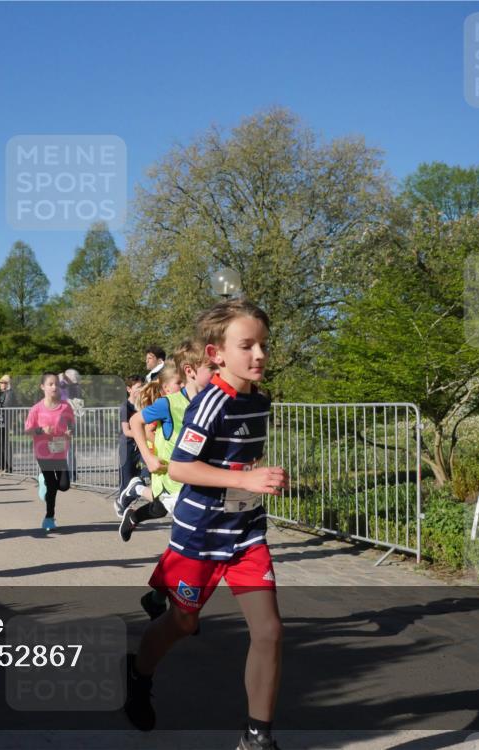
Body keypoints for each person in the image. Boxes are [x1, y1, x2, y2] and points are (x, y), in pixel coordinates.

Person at [125, 300, 288, 750]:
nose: (259, 355)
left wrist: (262, 478)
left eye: (263, 345)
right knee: (181, 622)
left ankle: (258, 737)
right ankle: (138, 675)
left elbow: (242, 460)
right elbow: (180, 468)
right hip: (199, 536)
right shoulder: (210, 403)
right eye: (247, 345)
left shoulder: (260, 400)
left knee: (270, 631)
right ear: (216, 353)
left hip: (246, 535)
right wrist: (244, 478)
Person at [118, 342, 214, 542]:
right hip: (170, 472)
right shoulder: (168, 403)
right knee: (193, 528)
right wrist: (149, 456)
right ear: (191, 372)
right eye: (212, 368)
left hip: (196, 472)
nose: (217, 373)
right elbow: (137, 422)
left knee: (159, 508)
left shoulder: (210, 402)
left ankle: (134, 513)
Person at [24, 372, 75, 532]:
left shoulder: (65, 406)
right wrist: (41, 430)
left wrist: (69, 432)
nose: (54, 387)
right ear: (43, 387)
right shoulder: (36, 409)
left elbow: (71, 424)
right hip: (43, 453)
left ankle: (42, 481)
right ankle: (49, 518)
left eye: (57, 384)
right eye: (50, 384)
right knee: (52, 485)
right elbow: (27, 430)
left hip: (59, 451)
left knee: (64, 485)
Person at [118, 375, 145, 497]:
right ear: (129, 389)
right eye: (138, 387)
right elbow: (126, 431)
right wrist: (144, 434)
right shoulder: (125, 407)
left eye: (142, 386)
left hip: (140, 445)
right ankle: (122, 503)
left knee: (139, 477)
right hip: (127, 447)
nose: (141, 389)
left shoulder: (144, 405)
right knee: (127, 479)